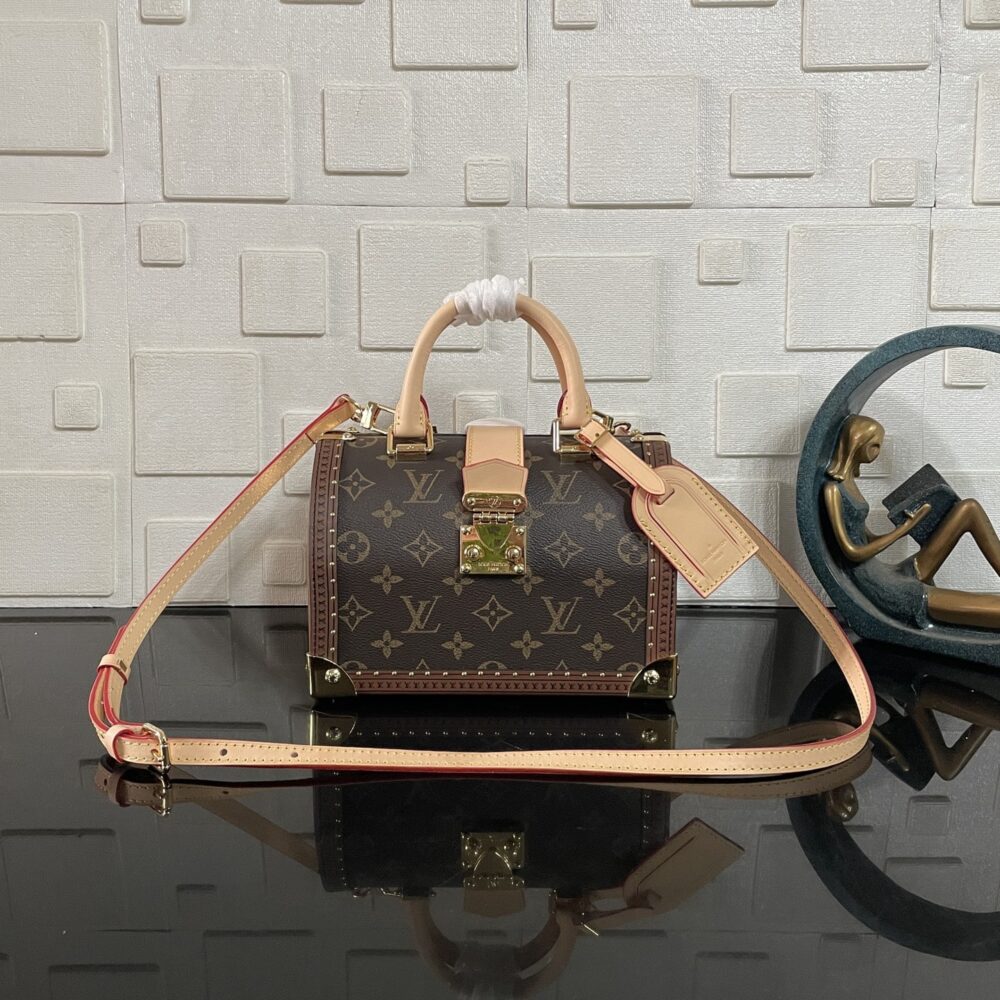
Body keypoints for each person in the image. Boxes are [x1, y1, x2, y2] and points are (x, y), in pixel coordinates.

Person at [822, 414, 1000, 629]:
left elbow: (866, 538)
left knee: (968, 508)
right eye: (874, 445)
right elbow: (853, 552)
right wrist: (902, 530)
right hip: (887, 590)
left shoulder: (849, 484)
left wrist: (909, 524)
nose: (878, 452)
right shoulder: (833, 490)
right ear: (857, 444)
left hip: (895, 574)